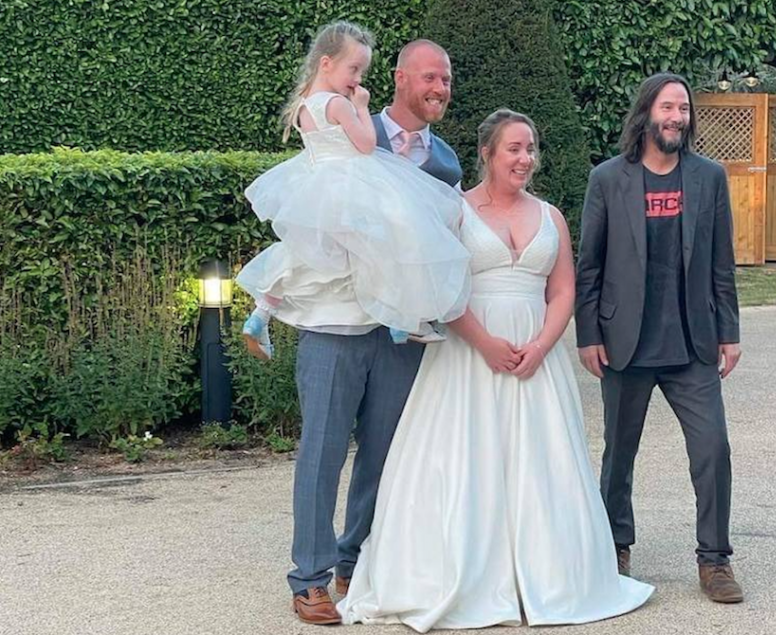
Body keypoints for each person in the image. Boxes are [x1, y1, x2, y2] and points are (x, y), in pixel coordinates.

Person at [339, 110, 654, 632]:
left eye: (530, 149)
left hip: (536, 359)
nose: (525, 159)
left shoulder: (550, 217)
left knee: (541, 462)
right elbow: (442, 288)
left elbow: (563, 289)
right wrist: (483, 342)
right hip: (468, 357)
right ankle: (467, 574)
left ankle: (546, 575)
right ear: (486, 153)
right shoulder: (454, 212)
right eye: (514, 149)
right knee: (468, 458)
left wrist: (543, 344)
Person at [236, 24, 468, 625]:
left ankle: (355, 562)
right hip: (334, 326)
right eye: (430, 76)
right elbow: (309, 221)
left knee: (385, 454)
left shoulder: (445, 161)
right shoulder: (345, 131)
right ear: (399, 78)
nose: (440, 87)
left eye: (446, 79)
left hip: (399, 332)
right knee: (322, 451)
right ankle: (310, 579)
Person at [575, 73, 745, 603]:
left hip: (692, 344)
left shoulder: (708, 177)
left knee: (713, 448)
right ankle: (614, 548)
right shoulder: (609, 179)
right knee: (618, 455)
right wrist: (587, 334)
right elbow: (589, 265)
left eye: (684, 109)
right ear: (647, 113)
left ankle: (714, 560)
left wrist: (730, 332)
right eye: (668, 107)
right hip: (624, 343)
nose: (677, 117)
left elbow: (721, 262)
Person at [236, 25, 469, 360]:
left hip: (316, 185)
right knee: (395, 233)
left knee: (300, 252)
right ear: (327, 63)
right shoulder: (339, 105)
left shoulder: (304, 106)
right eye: (354, 69)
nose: (358, 79)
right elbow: (366, 143)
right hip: (351, 182)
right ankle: (403, 318)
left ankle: (262, 312)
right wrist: (360, 107)